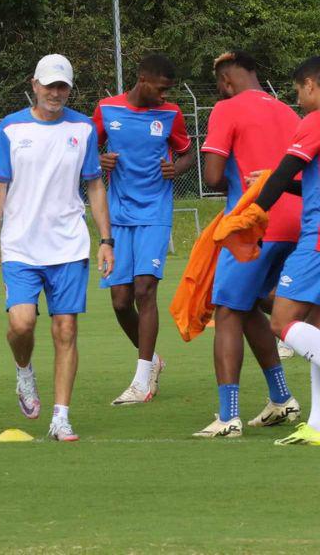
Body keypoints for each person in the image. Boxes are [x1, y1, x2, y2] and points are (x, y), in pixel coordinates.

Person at [0, 54, 114, 442]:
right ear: (34, 85)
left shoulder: (84, 129)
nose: (55, 93)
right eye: (49, 85)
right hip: (20, 246)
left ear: (70, 89)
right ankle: (24, 371)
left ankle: (61, 417)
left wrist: (106, 241)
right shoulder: (10, 129)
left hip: (69, 246)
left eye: (62, 87)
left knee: (66, 329)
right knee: (21, 324)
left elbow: (94, 186)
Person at [193, 51, 301, 438]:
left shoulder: (226, 109)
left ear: (225, 82)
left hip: (254, 223)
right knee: (252, 304)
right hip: (297, 220)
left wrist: (241, 186)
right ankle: (282, 398)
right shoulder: (290, 111)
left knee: (226, 313)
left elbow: (213, 174)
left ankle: (228, 417)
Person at [92, 55, 194, 404]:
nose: (165, 96)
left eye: (169, 90)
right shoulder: (106, 110)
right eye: (161, 88)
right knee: (121, 302)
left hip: (154, 211)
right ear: (142, 80)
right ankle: (152, 361)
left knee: (144, 290)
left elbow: (187, 153)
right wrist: (98, 160)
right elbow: (87, 152)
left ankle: (141, 382)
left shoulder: (171, 114)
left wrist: (177, 169)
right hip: (117, 216)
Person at [240, 55, 320, 445]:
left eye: (297, 91)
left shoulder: (315, 121)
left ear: (310, 85)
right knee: (316, 327)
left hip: (317, 241)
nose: (298, 99)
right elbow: (302, 184)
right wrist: (274, 180)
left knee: (281, 321)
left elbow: (289, 170)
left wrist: (250, 216)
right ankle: (319, 426)